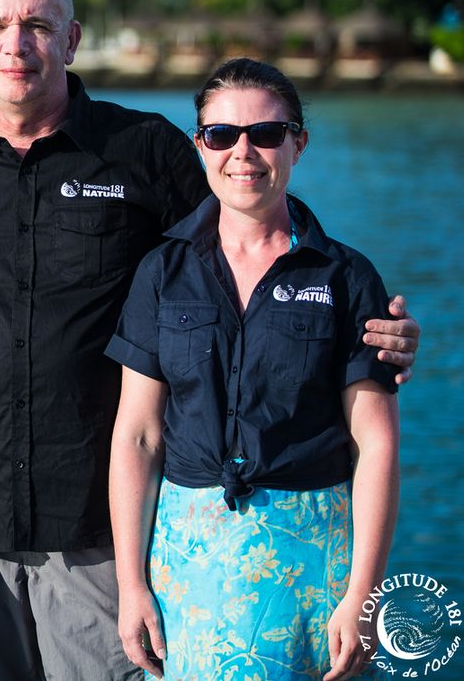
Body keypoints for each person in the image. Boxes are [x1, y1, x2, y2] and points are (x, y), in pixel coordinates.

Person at [0, 0, 419, 679]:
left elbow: (252, 232)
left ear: (71, 40)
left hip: (103, 535)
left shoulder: (142, 149)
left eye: (40, 25)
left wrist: (356, 322)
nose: (18, 44)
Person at [106, 58, 399, 680]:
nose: (244, 151)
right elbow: (138, 435)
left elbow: (375, 444)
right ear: (199, 146)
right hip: (191, 561)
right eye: (221, 135)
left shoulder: (348, 277)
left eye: (266, 133)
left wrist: (363, 595)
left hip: (318, 561)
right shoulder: (161, 273)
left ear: (298, 143)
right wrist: (132, 585)